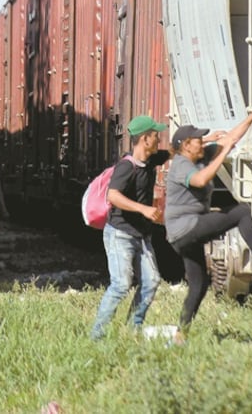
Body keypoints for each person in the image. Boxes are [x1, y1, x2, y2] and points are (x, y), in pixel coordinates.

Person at [164, 101, 252, 332]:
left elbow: (231, 138)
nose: (202, 141)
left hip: (184, 233)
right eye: (198, 139)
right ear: (186, 146)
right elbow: (200, 180)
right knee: (240, 212)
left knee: (199, 285)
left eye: (203, 138)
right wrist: (222, 155)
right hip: (185, 228)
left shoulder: (199, 155)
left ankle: (181, 333)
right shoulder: (180, 165)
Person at [89, 114, 170, 340]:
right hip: (120, 234)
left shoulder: (152, 159)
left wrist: (209, 140)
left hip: (141, 235)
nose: (159, 139)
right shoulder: (126, 167)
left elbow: (175, 151)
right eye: (155, 135)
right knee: (121, 284)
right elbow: (113, 196)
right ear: (145, 139)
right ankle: (97, 336)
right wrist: (143, 209)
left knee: (152, 281)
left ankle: (132, 329)